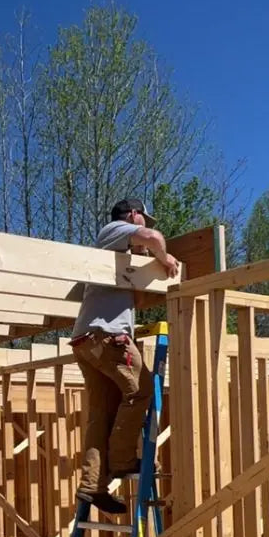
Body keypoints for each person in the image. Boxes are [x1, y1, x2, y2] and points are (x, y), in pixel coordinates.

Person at [71, 197, 180, 514]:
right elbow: (154, 238)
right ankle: (121, 460)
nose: (147, 224)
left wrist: (145, 258)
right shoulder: (114, 229)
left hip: (87, 340)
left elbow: (138, 286)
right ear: (134, 215)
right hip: (107, 337)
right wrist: (165, 257)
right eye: (144, 218)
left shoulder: (117, 258)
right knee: (141, 390)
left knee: (101, 413)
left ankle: (93, 486)